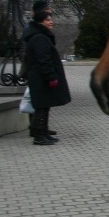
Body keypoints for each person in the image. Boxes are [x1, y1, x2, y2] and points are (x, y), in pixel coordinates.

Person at [22, 10, 71, 145]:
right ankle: (39, 135)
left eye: (51, 19)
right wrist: (51, 76)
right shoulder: (39, 38)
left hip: (40, 77)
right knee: (41, 107)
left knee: (45, 106)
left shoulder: (40, 36)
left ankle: (44, 133)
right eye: (48, 20)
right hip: (40, 78)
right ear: (40, 22)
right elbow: (43, 59)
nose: (51, 22)